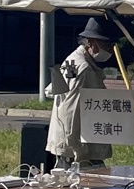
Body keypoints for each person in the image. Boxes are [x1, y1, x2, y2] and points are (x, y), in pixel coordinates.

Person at [47, 17, 121, 169]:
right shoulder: (84, 69)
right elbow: (71, 110)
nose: (109, 49)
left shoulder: (74, 60)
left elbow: (55, 92)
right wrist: (77, 149)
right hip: (78, 147)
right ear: (91, 42)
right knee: (87, 187)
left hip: (68, 142)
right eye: (106, 44)